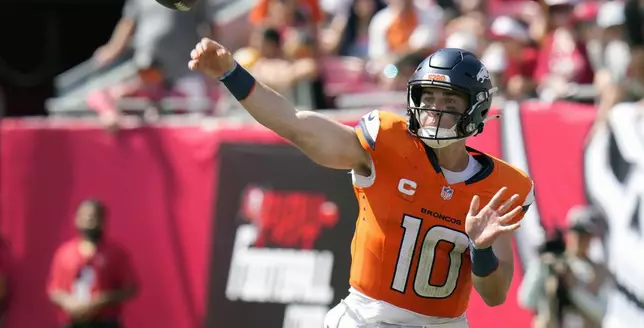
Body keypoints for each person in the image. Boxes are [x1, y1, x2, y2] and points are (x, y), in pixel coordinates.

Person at [189, 40, 535, 327]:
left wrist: (482, 249)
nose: (434, 110)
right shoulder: (386, 143)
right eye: (428, 99)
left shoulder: (502, 186)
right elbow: (295, 125)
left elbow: (494, 295)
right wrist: (230, 73)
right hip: (366, 319)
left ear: (475, 109)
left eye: (449, 101)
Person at [48, 200, 138, 328]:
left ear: (103, 221)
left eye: (94, 216)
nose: (89, 219)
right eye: (84, 216)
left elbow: (130, 288)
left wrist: (100, 301)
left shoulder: (116, 253)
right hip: (73, 321)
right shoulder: (64, 253)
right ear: (76, 219)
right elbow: (54, 290)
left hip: (105, 321)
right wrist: (68, 303)